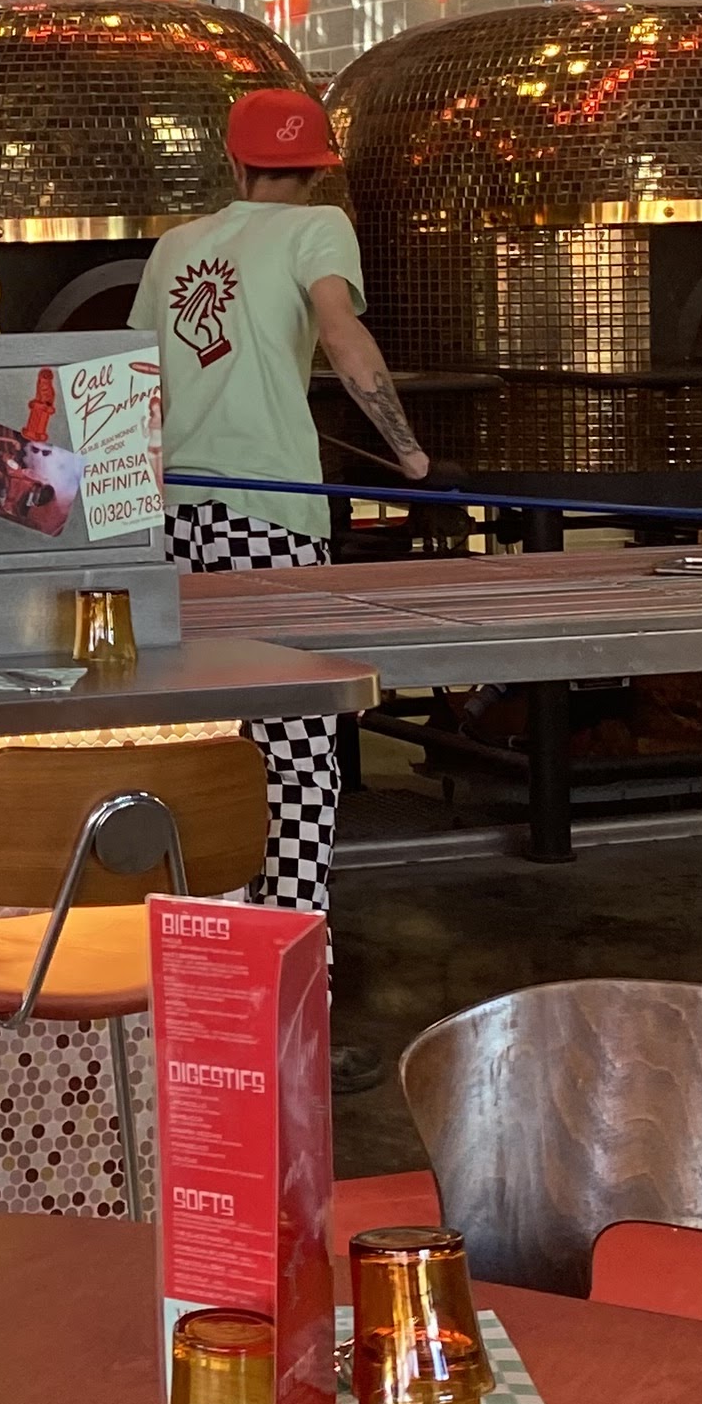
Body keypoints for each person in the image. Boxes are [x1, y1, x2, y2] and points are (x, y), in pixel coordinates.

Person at [128, 92, 434, 1013]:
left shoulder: (176, 247)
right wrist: (410, 454)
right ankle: (295, 987)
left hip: (173, 526)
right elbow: (341, 332)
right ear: (317, 170)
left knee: (207, 746)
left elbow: (133, 379)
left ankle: (204, 975)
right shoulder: (319, 228)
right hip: (271, 520)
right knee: (299, 760)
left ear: (234, 164)